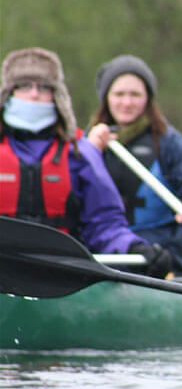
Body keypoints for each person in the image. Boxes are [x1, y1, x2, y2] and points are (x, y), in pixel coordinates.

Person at [0, 47, 172, 278]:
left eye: (43, 88)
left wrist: (136, 248)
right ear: (8, 94)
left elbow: (106, 225)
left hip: (61, 277)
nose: (33, 95)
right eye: (24, 86)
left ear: (56, 96)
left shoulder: (80, 153)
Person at [87, 55, 182, 275]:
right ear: (106, 98)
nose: (127, 102)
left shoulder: (170, 143)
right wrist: (90, 152)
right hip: (104, 252)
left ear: (147, 99)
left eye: (135, 94)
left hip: (160, 253)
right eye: (119, 94)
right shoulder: (88, 146)